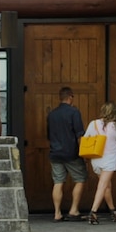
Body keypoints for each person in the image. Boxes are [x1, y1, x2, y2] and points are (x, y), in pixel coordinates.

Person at [83, 101, 116, 225]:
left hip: (96, 159)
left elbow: (86, 137)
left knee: (107, 186)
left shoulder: (93, 124)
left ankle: (113, 211)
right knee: (103, 186)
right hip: (109, 160)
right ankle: (93, 212)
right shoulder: (115, 126)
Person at [46, 86, 87, 221]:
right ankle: (73, 210)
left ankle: (57, 213)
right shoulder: (74, 112)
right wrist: (84, 154)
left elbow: (49, 135)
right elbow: (79, 134)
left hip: (55, 153)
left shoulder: (52, 114)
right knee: (80, 179)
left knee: (58, 182)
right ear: (70, 97)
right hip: (71, 153)